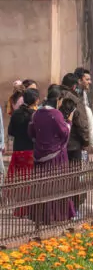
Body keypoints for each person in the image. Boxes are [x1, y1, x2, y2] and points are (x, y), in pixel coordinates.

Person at [29, 85, 75, 223]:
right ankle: (57, 216)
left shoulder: (36, 113)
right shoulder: (56, 114)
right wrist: (69, 121)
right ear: (58, 100)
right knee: (57, 185)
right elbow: (65, 132)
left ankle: (41, 217)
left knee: (42, 186)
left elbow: (31, 132)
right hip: (56, 157)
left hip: (39, 155)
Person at [7, 89, 39, 217]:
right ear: (36, 100)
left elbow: (11, 131)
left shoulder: (16, 114)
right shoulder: (35, 114)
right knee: (29, 181)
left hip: (17, 150)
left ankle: (19, 208)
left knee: (19, 181)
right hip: (30, 150)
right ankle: (26, 209)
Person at [60, 73, 90, 166]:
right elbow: (82, 123)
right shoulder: (75, 99)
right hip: (73, 144)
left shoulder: (55, 95)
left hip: (56, 143)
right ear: (74, 86)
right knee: (73, 174)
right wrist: (86, 141)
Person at [74, 67, 93, 160]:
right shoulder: (76, 96)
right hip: (77, 142)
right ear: (79, 81)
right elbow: (88, 125)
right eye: (87, 79)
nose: (90, 82)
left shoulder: (83, 93)